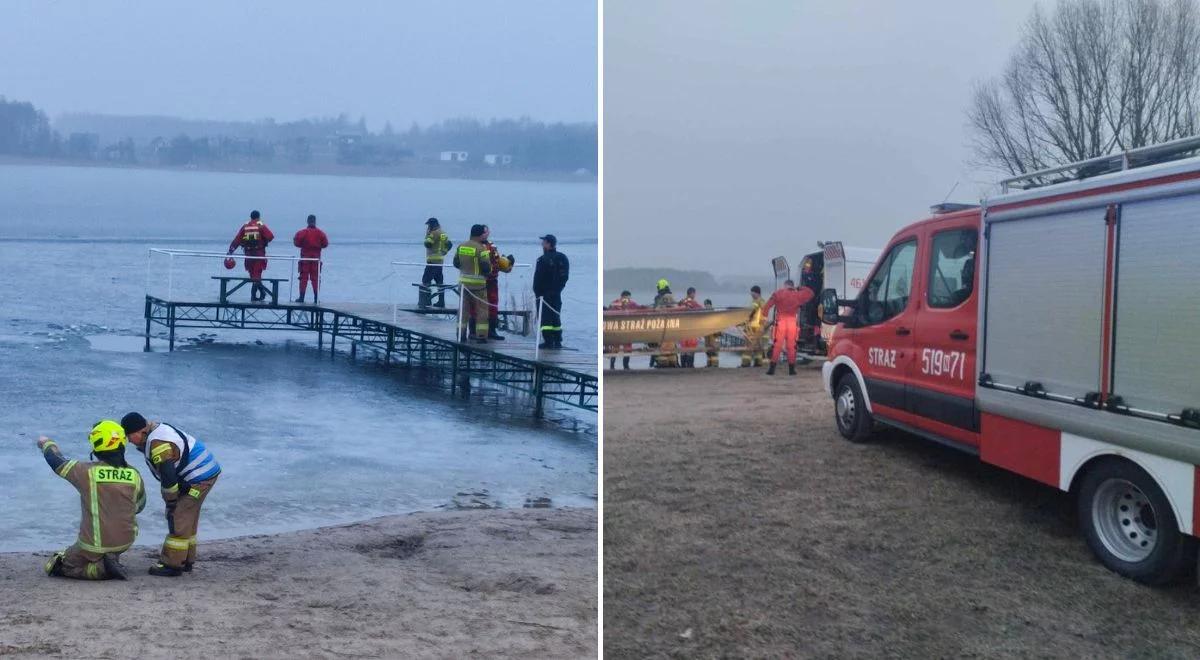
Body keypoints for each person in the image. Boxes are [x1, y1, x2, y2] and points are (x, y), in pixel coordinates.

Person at [38, 420, 145, 581]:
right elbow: (139, 506)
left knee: (56, 565)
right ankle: (109, 558)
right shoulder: (134, 474)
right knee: (101, 549)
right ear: (122, 444)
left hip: (92, 545)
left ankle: (101, 569)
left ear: (95, 447)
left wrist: (47, 443)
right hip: (126, 542)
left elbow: (56, 461)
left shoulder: (85, 472)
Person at [121, 413, 221, 577]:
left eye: (129, 436)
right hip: (205, 472)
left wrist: (171, 501)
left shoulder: (158, 444)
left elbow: (168, 477)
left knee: (178, 516)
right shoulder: (157, 432)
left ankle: (172, 565)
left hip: (199, 478)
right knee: (189, 515)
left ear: (141, 431)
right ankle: (186, 560)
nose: (128, 441)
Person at [762, 279, 815, 375]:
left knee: (777, 345)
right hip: (792, 322)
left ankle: (772, 369)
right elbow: (811, 293)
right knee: (791, 347)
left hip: (781, 321)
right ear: (792, 286)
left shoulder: (778, 293)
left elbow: (767, 307)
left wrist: (764, 318)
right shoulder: (798, 295)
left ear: (785, 285)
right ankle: (791, 370)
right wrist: (799, 288)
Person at [453, 224, 493, 343]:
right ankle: (481, 336)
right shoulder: (482, 249)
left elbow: (456, 262)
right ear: (480, 235)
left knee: (463, 311)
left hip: (463, 284)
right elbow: (486, 267)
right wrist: (489, 271)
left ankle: (461, 334)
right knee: (482, 311)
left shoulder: (461, 246)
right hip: (478, 285)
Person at [228, 210, 275, 302]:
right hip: (259, 254)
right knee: (257, 275)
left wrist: (230, 252)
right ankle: (255, 295)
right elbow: (270, 237)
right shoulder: (260, 225)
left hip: (249, 255)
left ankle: (260, 294)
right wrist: (264, 240)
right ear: (258, 217)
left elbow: (237, 240)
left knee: (253, 275)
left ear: (251, 217)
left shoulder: (245, 226)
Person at [533, 234, 569, 349]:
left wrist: (538, 293)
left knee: (545, 319)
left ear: (548, 244)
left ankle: (548, 341)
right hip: (557, 293)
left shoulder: (542, 260)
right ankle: (558, 341)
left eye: (543, 242)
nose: (542, 244)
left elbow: (538, 279)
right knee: (556, 316)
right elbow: (565, 277)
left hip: (544, 294)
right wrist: (558, 289)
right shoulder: (563, 258)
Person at [479, 225, 515, 340]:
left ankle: (492, 330)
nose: (487, 233)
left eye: (487, 231)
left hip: (492, 281)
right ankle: (477, 332)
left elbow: (498, 262)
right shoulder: (476, 246)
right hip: (480, 281)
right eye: (485, 232)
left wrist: (508, 263)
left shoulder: (492, 246)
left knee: (493, 305)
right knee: (478, 306)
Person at [292, 214, 329, 304]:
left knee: (303, 278)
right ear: (315, 221)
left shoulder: (302, 233)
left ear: (307, 221)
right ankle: (316, 298)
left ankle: (301, 297)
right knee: (315, 278)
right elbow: (325, 244)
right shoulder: (321, 233)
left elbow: (296, 243)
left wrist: (304, 246)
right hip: (316, 258)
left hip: (305, 258)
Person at [421, 218, 452, 308]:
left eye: (429, 225)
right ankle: (441, 302)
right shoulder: (443, 233)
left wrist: (427, 236)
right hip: (440, 261)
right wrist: (444, 252)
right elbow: (449, 244)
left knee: (426, 280)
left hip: (432, 261)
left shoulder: (433, 233)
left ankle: (426, 301)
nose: (428, 227)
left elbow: (428, 244)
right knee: (439, 282)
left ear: (432, 225)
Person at [607, 290, 640, 370]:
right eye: (626, 298)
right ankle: (612, 366)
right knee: (615, 349)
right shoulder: (616, 303)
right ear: (622, 297)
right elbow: (609, 309)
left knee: (627, 348)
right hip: (617, 329)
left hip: (625, 329)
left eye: (628, 298)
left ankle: (625, 366)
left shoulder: (632, 303)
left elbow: (639, 308)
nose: (627, 300)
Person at [651, 279, 678, 368]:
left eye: (658, 287)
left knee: (664, 345)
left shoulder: (665, 296)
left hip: (664, 325)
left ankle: (664, 363)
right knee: (670, 344)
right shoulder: (669, 296)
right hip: (671, 325)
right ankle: (672, 362)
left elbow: (658, 309)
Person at [741, 285, 768, 368]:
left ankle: (746, 363)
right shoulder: (756, 301)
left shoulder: (759, 301)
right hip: (754, 327)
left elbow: (758, 313)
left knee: (750, 346)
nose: (751, 294)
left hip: (755, 327)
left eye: (752, 293)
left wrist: (762, 325)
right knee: (756, 346)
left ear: (756, 292)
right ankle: (758, 363)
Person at [677, 287, 703, 368]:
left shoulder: (682, 302)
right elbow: (701, 309)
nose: (695, 295)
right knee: (691, 349)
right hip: (691, 328)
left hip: (682, 329)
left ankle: (683, 366)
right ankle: (690, 366)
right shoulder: (692, 302)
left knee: (683, 349)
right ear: (691, 293)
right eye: (694, 293)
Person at [703, 298, 720, 368]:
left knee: (714, 349)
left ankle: (715, 364)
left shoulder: (714, 313)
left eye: (707, 305)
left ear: (710, 305)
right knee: (708, 350)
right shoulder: (705, 314)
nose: (706, 306)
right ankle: (709, 364)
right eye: (705, 305)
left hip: (714, 334)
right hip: (707, 333)